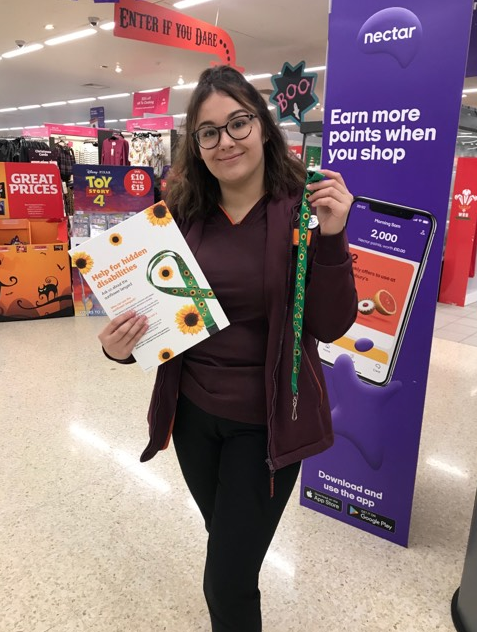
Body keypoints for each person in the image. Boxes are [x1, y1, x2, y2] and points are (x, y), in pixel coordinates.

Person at [99, 65, 357, 632]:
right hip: (192, 419)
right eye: (208, 131)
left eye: (238, 122)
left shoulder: (304, 212)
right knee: (230, 547)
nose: (226, 141)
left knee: (226, 579)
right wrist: (119, 347)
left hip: (265, 426)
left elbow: (331, 324)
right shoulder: (180, 220)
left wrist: (334, 240)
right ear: (196, 145)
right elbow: (153, 319)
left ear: (263, 127)